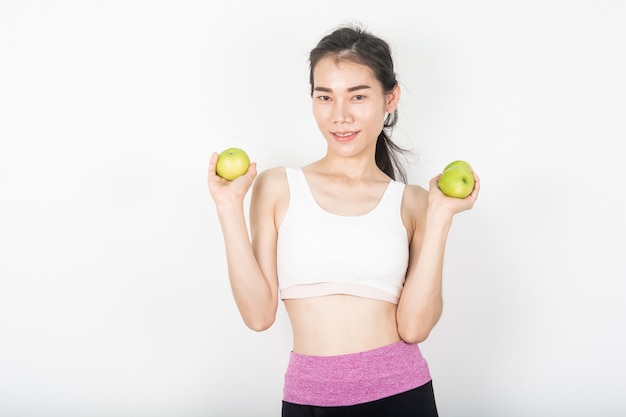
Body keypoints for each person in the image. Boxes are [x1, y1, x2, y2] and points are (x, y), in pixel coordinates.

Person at [208, 24, 480, 417]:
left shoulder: (414, 202)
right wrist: (227, 205)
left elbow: (415, 329)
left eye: (358, 96)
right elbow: (258, 315)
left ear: (390, 98)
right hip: (308, 400)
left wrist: (440, 216)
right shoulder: (278, 187)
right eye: (325, 96)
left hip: (401, 396)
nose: (340, 115)